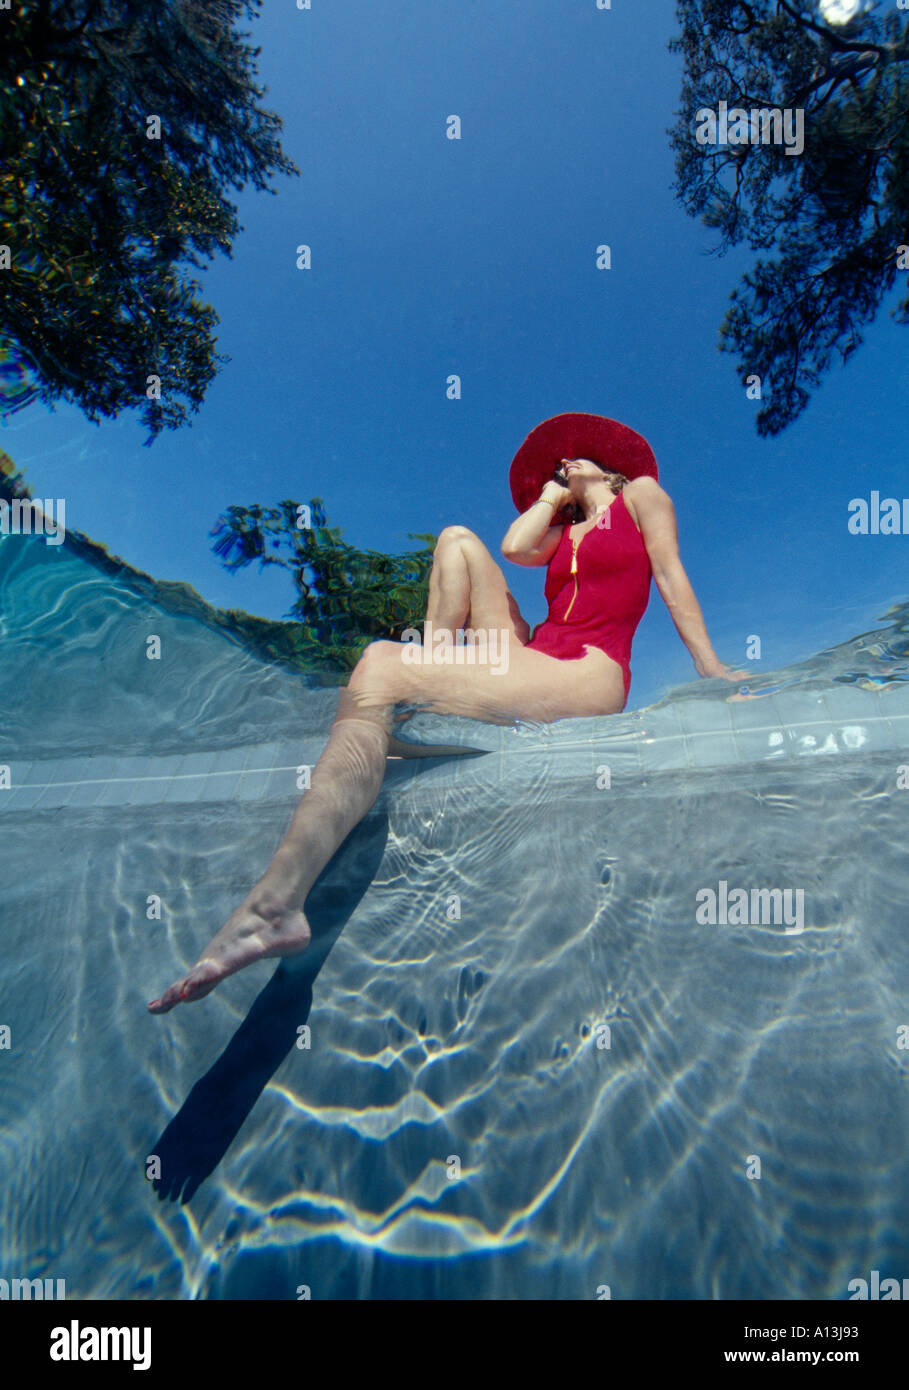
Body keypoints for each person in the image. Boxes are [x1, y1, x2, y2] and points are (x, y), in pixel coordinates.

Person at [148, 413, 742, 1014]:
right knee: (458, 537)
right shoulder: (561, 533)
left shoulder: (642, 496)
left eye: (574, 460)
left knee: (379, 665)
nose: (565, 465)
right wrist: (552, 495)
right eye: (558, 464)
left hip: (588, 670)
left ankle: (274, 907)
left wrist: (711, 669)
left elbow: (670, 577)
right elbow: (513, 547)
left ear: (608, 465)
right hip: (532, 654)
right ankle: (428, 692)